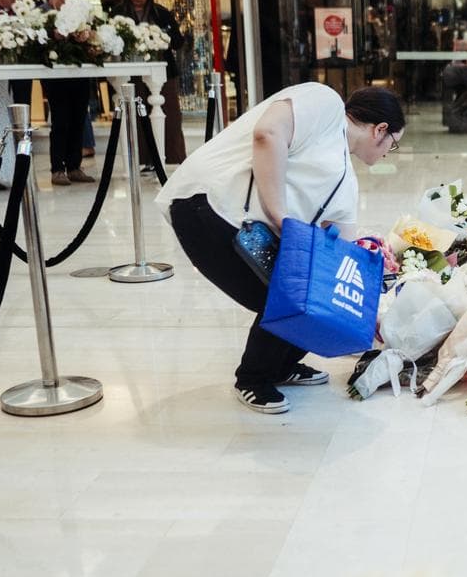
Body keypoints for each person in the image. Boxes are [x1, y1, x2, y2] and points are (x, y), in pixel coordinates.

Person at [155, 84, 406, 414]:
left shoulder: (347, 182)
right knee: (284, 295)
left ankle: (279, 367)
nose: (389, 151)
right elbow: (268, 133)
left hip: (248, 233)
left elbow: (336, 259)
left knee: (312, 300)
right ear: (380, 130)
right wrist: (281, 217)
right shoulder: (326, 104)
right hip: (209, 206)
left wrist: (365, 313)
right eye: (394, 144)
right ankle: (252, 378)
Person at [117, 0, 187, 167]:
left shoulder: (160, 13)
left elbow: (178, 41)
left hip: (163, 73)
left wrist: (161, 37)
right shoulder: (119, 14)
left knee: (169, 114)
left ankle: (173, 159)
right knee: (139, 116)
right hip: (132, 73)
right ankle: (143, 161)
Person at [39, 0, 96, 186]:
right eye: (65, 0)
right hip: (57, 78)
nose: (67, 5)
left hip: (79, 75)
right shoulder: (42, 15)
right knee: (61, 121)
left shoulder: (81, 15)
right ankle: (57, 169)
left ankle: (74, 166)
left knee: (79, 119)